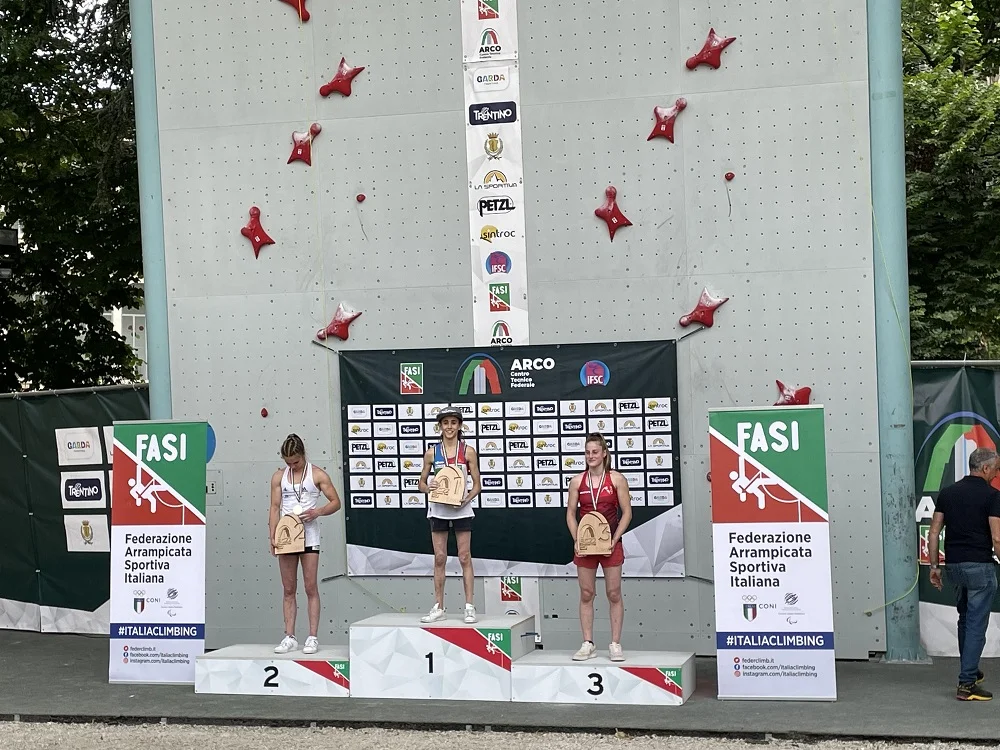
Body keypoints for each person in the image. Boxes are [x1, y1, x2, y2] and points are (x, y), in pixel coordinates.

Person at [928, 446, 1000, 701]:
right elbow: (997, 537)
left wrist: (934, 566)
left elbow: (934, 532)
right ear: (985, 468)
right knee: (976, 624)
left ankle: (970, 669)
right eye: (996, 469)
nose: (996, 474)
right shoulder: (993, 496)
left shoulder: (948, 493)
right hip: (980, 566)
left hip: (954, 566)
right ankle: (967, 683)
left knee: (965, 619)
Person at [268, 434, 342, 655]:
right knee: (288, 589)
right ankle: (289, 637)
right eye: (288, 462)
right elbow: (274, 507)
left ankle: (312, 637)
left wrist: (317, 512)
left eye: (296, 461)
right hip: (287, 536)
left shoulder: (317, 474)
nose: (292, 466)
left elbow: (336, 502)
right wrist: (272, 536)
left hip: (309, 535)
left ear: (303, 455)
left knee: (310, 587)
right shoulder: (279, 477)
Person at [566, 433, 632, 662]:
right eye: (587, 452)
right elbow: (570, 514)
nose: (590, 456)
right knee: (586, 593)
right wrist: (577, 539)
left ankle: (615, 644)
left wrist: (614, 539)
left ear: (604, 453)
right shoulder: (577, 481)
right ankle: (588, 643)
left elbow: (627, 513)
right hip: (586, 546)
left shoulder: (616, 479)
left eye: (595, 452)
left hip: (610, 545)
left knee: (613, 593)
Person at [417, 406, 482, 624]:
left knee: (464, 556)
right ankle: (439, 607)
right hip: (438, 509)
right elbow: (421, 483)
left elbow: (477, 485)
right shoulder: (432, 452)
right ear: (440, 426)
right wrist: (429, 487)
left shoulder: (468, 451)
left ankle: (469, 607)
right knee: (439, 558)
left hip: (461, 509)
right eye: (445, 423)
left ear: (460, 425)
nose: (449, 427)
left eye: (453, 422)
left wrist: (467, 499)